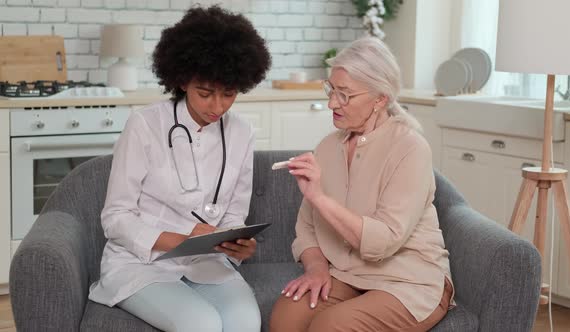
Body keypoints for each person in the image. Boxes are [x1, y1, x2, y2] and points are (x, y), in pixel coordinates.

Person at [88, 6, 270, 332]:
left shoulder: (242, 134)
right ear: (183, 80)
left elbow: (232, 218)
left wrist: (239, 243)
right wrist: (180, 239)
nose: (217, 107)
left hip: (207, 262)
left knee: (246, 322)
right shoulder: (144, 125)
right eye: (205, 93)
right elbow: (115, 217)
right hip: (140, 263)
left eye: (228, 94)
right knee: (201, 324)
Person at [269, 37, 454, 332]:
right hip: (346, 275)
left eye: (345, 95)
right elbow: (306, 227)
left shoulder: (410, 148)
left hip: (407, 281)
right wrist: (316, 269)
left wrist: (320, 197)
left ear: (380, 98)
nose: (332, 103)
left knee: (332, 326)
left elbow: (383, 242)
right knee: (285, 317)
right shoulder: (328, 148)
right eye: (331, 90)